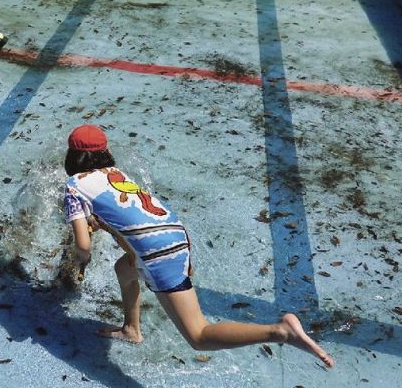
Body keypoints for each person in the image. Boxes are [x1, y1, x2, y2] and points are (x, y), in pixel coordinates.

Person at [62, 124, 335, 368]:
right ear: (105, 152)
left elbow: (84, 246)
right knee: (124, 268)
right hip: (175, 235)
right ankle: (132, 328)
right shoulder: (116, 173)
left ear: (72, 157)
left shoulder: (74, 185)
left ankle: (279, 332)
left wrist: (80, 258)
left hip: (156, 252)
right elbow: (127, 214)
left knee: (199, 335)